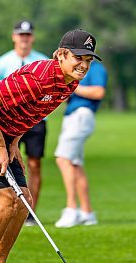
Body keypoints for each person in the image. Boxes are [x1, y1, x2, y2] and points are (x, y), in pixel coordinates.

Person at [0, 29, 101, 263]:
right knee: (7, 199)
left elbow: (33, 111)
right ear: (61, 54)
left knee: (24, 199)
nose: (83, 65)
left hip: (2, 134)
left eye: (88, 60)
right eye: (78, 58)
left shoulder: (70, 83)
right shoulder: (40, 76)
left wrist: (13, 142)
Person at [0, 20, 49, 227]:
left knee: (34, 164)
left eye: (28, 35)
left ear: (32, 37)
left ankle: (30, 213)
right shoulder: (1, 63)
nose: (24, 38)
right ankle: (9, 206)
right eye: (20, 35)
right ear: (14, 37)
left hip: (36, 121)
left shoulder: (42, 61)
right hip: (9, 122)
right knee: (6, 164)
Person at [54, 61, 108, 228]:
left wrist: (73, 86)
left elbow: (99, 92)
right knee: (76, 164)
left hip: (81, 115)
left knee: (63, 159)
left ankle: (71, 209)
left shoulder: (96, 68)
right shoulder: (76, 69)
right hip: (73, 115)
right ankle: (87, 212)